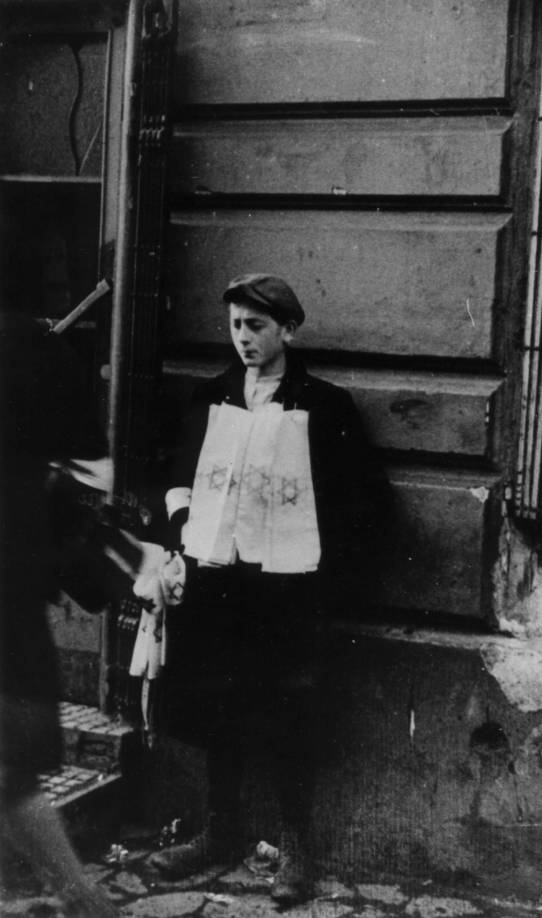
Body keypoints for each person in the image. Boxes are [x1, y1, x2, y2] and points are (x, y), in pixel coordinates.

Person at [148, 273, 385, 903]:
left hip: (285, 593)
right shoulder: (212, 396)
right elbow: (177, 476)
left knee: (288, 715)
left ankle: (297, 848)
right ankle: (220, 831)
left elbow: (362, 503)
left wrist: (328, 573)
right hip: (216, 584)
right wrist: (181, 534)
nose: (244, 339)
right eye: (235, 326)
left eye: (256, 326)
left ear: (287, 329)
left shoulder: (323, 406)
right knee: (218, 709)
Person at [0, 303, 123, 918]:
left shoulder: (29, 348)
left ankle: (83, 901)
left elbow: (88, 475)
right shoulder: (34, 347)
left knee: (10, 773)